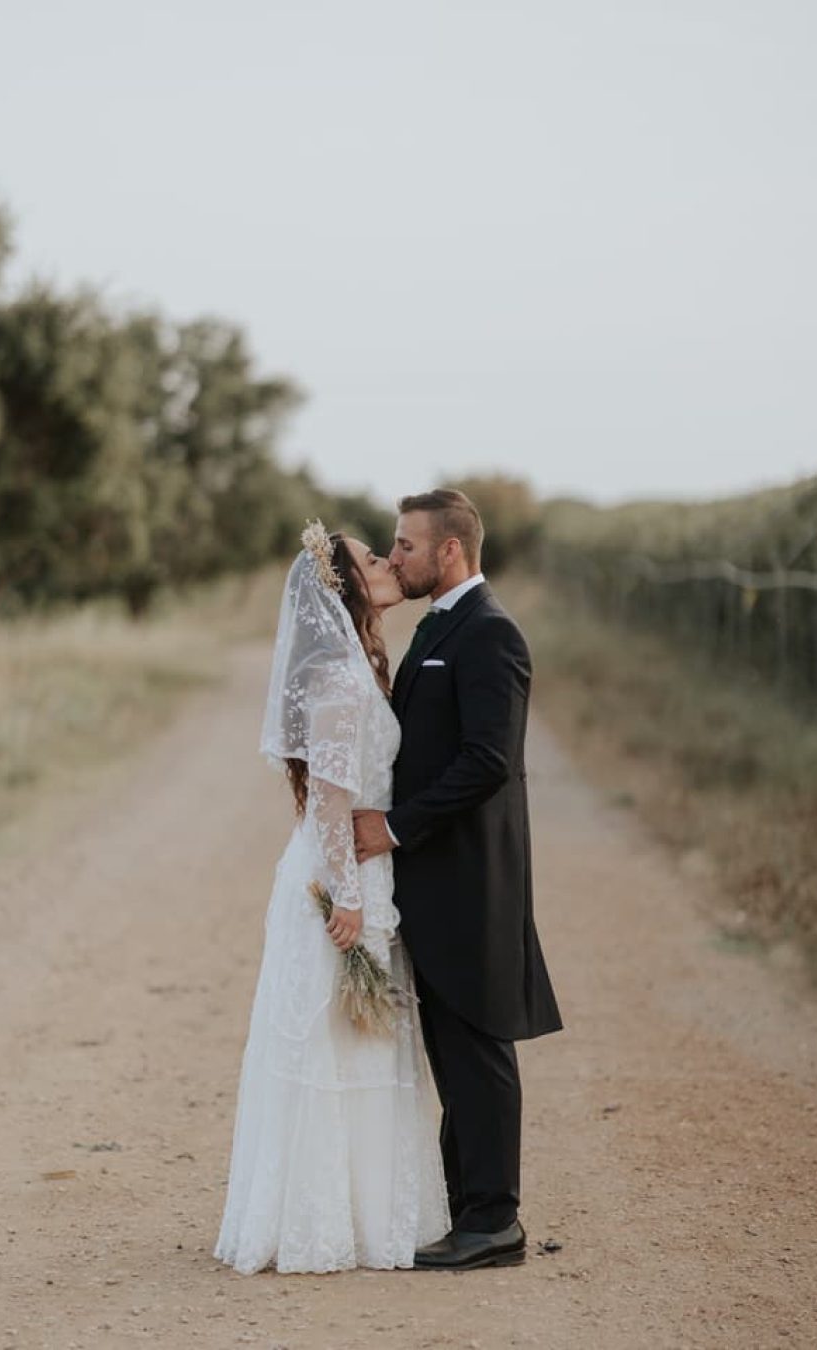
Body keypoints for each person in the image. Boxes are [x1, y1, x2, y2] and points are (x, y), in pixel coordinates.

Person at [213, 521, 450, 1275]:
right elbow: (329, 796)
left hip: (356, 869)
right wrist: (348, 896)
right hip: (338, 877)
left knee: (358, 1041)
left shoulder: (356, 663)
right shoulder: (340, 679)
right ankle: (320, 1223)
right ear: (344, 589)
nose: (387, 562)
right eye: (372, 559)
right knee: (334, 1039)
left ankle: (357, 1216)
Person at [353, 488, 564, 1272]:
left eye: (405, 544)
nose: (395, 555)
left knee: (478, 1047)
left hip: (472, 879)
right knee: (452, 1049)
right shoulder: (439, 626)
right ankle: (465, 1206)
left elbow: (489, 761)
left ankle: (496, 1220)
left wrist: (396, 825)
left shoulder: (491, 635)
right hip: (433, 883)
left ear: (450, 550)